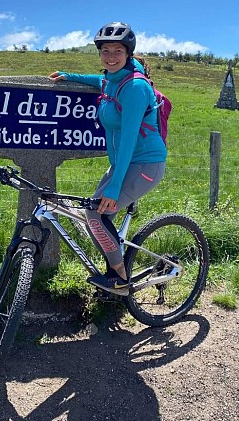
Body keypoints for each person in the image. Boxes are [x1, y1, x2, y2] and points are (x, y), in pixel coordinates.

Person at [49, 22, 167, 295]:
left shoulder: (135, 88)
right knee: (95, 214)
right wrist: (68, 76)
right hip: (124, 164)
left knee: (96, 213)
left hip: (144, 164)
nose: (111, 56)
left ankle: (121, 279)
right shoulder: (112, 80)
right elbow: (98, 80)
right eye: (105, 50)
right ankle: (114, 272)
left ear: (128, 54)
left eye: (117, 50)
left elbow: (127, 140)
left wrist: (114, 187)